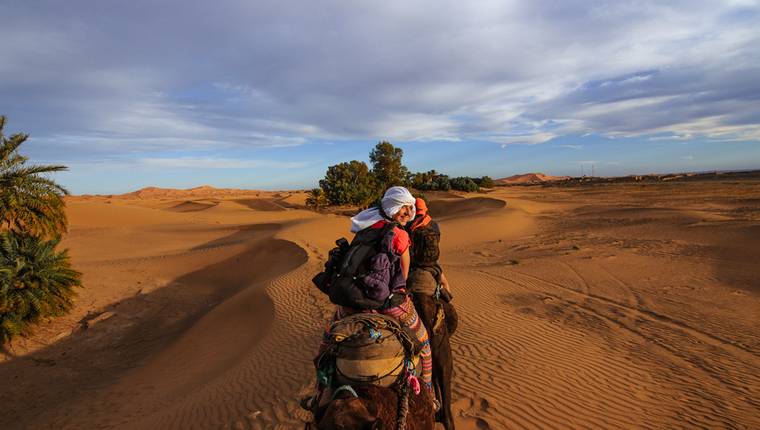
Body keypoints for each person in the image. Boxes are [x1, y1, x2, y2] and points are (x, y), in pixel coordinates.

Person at [321, 186, 434, 394]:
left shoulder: (365, 227)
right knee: (424, 342)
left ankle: (320, 389)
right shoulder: (399, 234)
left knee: (328, 335)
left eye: (411, 209)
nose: (409, 214)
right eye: (404, 208)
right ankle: (428, 390)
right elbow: (403, 277)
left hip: (352, 302)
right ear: (392, 208)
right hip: (388, 304)